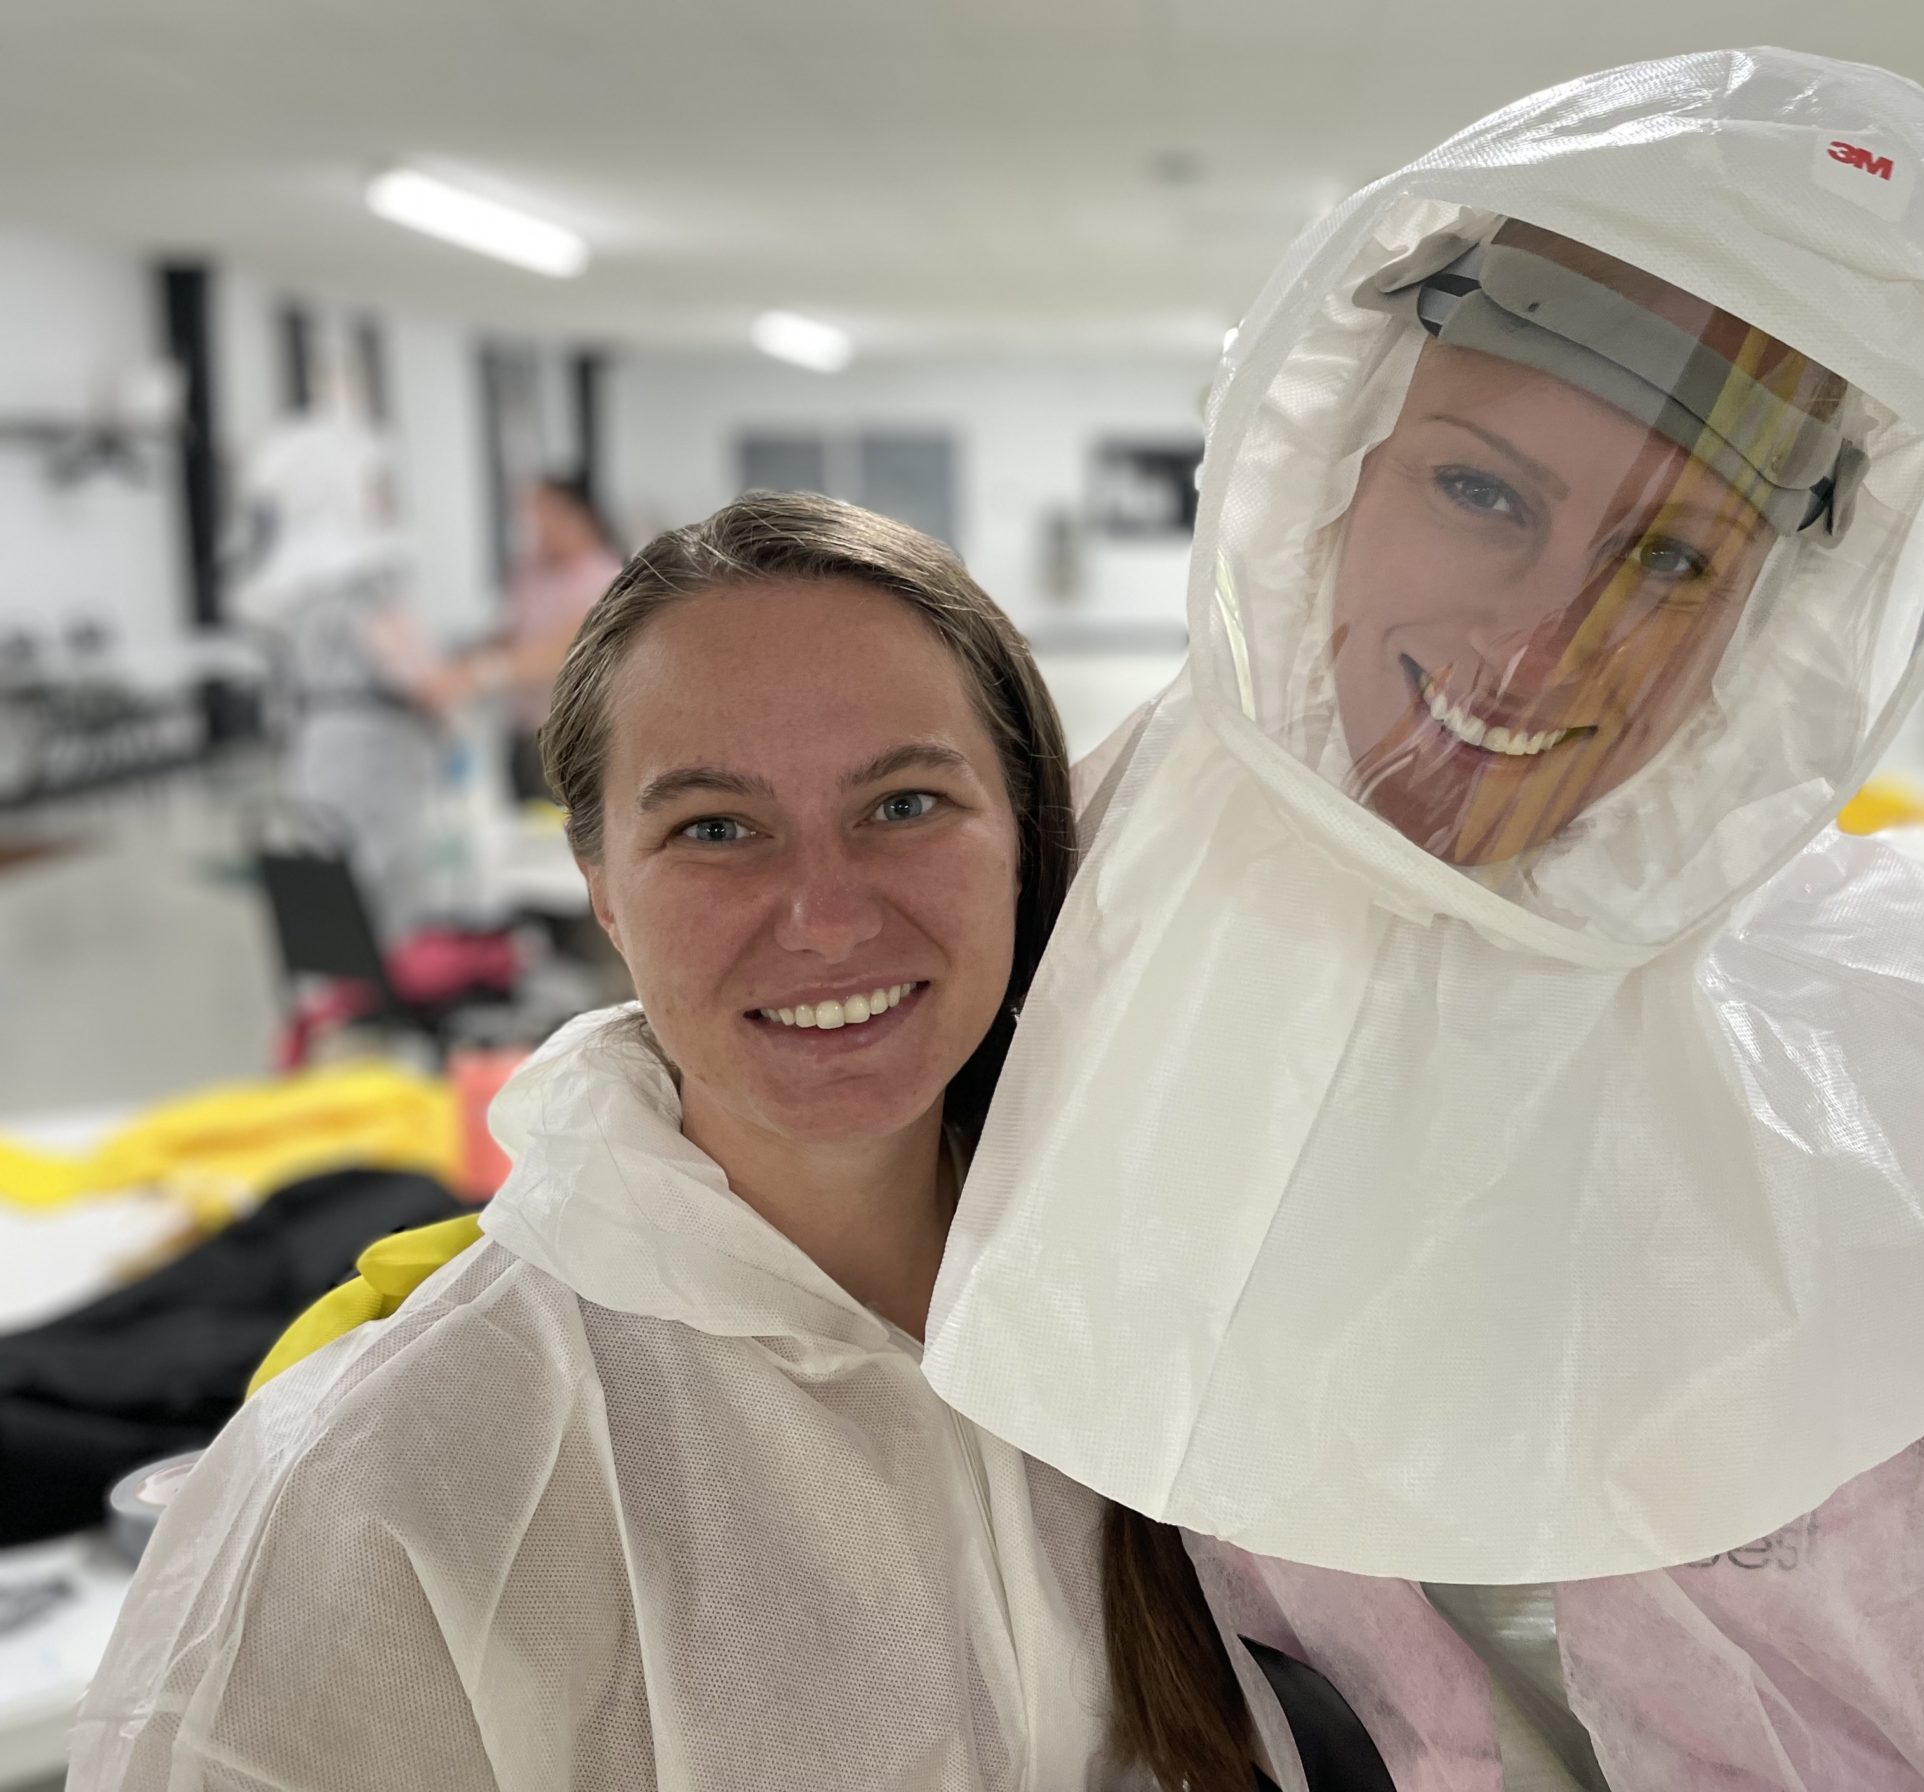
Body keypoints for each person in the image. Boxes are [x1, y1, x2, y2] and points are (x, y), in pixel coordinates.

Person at [925, 49, 1924, 1787]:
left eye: (1669, 560)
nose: (1541, 641)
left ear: (1768, 614)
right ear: (1338, 462)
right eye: (1482, 494)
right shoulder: (1101, 917)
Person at [69, 494, 1216, 1791]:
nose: (827, 917)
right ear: (602, 889)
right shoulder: (379, 1487)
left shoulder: (1159, 1307)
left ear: (1022, 838)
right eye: (715, 828)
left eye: (904, 803)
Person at [229, 359, 446, 933]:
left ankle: (341, 985)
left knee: (333, 890)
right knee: (386, 899)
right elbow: (423, 680)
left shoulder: (288, 587)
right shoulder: (366, 579)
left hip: (314, 749)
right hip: (375, 756)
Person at [429, 472, 625, 801]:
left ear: (577, 516)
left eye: (544, 515)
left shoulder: (605, 576)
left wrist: (480, 674)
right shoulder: (531, 570)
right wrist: (456, 666)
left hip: (575, 740)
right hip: (524, 736)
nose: (534, 527)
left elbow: (567, 651)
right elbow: (510, 636)